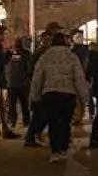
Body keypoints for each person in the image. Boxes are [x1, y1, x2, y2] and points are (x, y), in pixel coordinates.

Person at [30, 32, 89, 163]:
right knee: (65, 122)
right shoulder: (72, 57)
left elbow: (37, 77)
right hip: (68, 94)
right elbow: (79, 78)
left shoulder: (45, 57)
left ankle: (55, 150)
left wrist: (34, 95)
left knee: (53, 122)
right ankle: (63, 148)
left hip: (50, 93)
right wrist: (84, 96)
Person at [4, 37, 33, 130]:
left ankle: (12, 120)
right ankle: (26, 121)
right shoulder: (26, 54)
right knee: (24, 103)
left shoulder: (8, 54)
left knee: (12, 103)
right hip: (23, 83)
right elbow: (29, 68)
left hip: (11, 82)